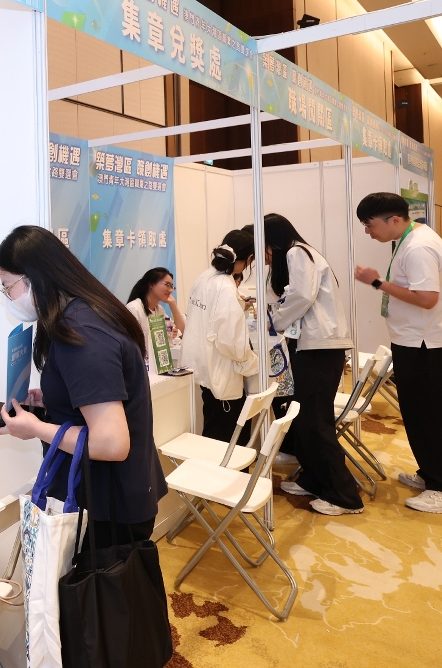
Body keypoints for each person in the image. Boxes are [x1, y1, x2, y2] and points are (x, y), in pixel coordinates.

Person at [0, 225, 166, 546]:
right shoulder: (85, 313)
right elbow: (102, 395)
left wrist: (35, 427)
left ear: (33, 277)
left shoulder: (80, 332)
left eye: (8, 287)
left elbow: (111, 443)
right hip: (114, 495)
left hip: (107, 508)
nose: (8, 298)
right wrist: (55, 399)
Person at [355, 193, 442, 514]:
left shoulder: (419, 246)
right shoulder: (410, 239)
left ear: (393, 220)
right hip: (417, 342)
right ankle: (433, 474)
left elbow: (427, 298)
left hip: (428, 345)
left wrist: (377, 282)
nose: (368, 232)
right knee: (421, 415)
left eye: (369, 225)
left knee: (434, 416)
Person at [258, 214, 364, 516]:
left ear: (273, 240)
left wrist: (274, 320)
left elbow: (301, 296)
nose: (264, 255)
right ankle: (315, 479)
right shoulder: (297, 254)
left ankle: (344, 495)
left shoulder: (297, 253)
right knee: (304, 419)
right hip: (311, 347)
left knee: (315, 422)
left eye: (263, 247)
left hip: (318, 348)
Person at [182, 230, 258, 444]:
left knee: (213, 429)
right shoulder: (225, 286)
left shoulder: (205, 278)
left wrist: (238, 305)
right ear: (248, 259)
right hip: (222, 375)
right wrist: (250, 362)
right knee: (227, 438)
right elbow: (230, 341)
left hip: (204, 368)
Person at [126, 267, 187, 371]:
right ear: (151, 284)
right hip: (140, 366)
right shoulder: (134, 308)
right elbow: (130, 344)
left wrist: (173, 304)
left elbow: (182, 331)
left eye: (172, 286)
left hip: (158, 366)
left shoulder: (159, 310)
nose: (170, 290)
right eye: (167, 285)